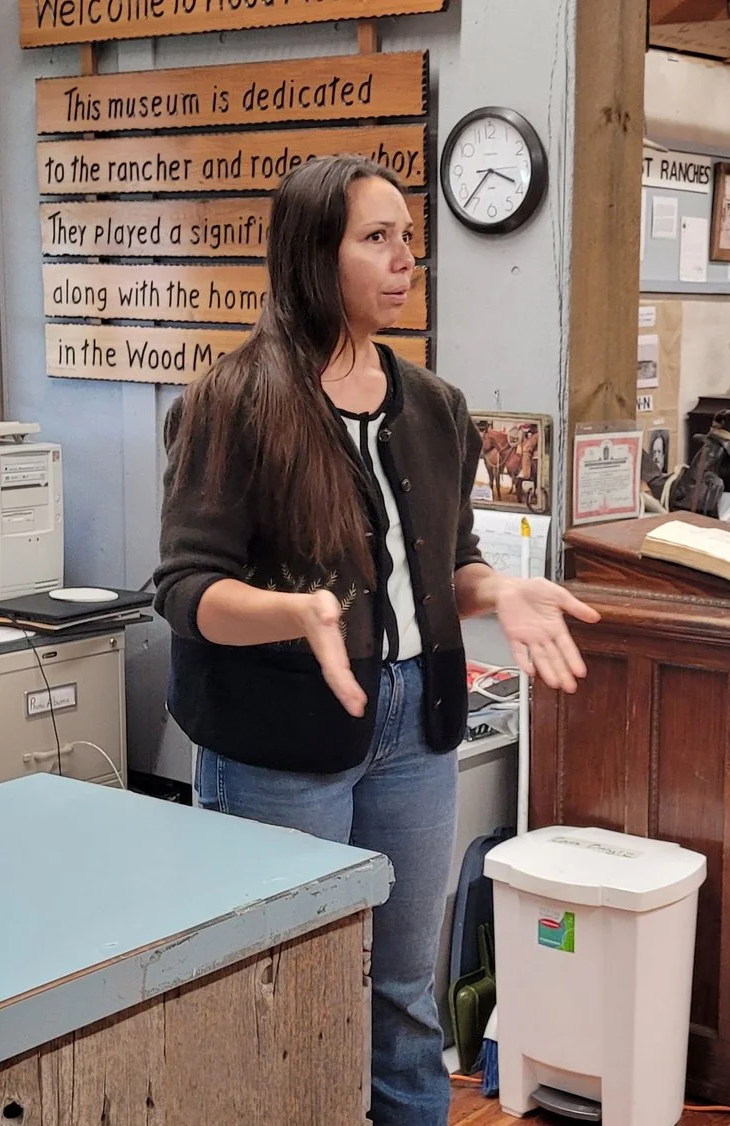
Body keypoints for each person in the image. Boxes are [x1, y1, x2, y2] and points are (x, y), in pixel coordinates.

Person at [154, 155, 598, 1126]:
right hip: (276, 739)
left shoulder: (431, 405)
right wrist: (294, 612)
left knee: (401, 1000)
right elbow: (185, 590)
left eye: (409, 239)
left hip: (413, 726)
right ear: (316, 253)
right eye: (377, 238)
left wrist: (499, 590)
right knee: (284, 1001)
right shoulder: (233, 399)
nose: (406, 260)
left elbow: (451, 565)